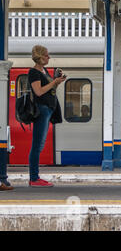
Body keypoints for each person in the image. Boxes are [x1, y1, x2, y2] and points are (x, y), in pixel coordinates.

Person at [28, 45, 65, 188]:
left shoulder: (45, 71)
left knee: (40, 144)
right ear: (39, 57)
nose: (49, 57)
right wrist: (53, 82)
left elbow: (51, 90)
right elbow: (38, 91)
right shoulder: (34, 73)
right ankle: (34, 178)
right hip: (41, 110)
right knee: (37, 145)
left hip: (48, 109)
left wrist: (57, 82)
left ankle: (35, 176)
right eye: (46, 55)